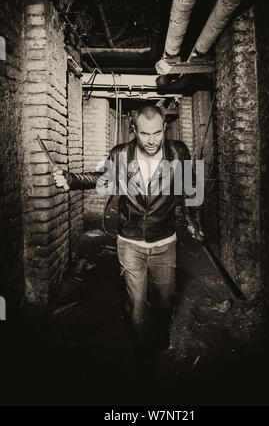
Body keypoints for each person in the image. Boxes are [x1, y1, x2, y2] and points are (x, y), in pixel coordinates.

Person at [53, 105, 204, 350]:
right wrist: (70, 179)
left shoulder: (178, 153)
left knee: (165, 301)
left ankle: (160, 329)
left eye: (157, 133)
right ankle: (145, 354)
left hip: (164, 242)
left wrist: (193, 220)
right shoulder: (121, 155)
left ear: (164, 128)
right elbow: (99, 178)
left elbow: (191, 188)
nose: (152, 140)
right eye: (145, 134)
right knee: (136, 308)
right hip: (130, 243)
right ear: (134, 130)